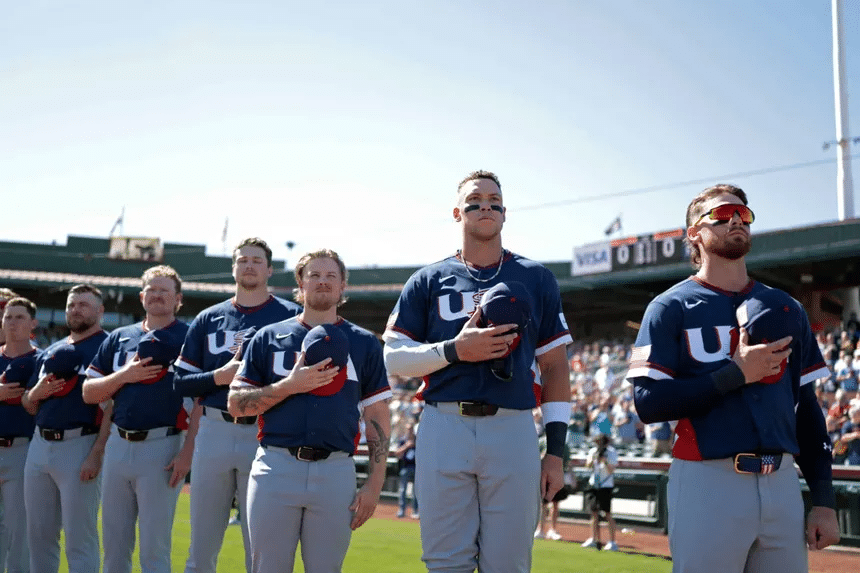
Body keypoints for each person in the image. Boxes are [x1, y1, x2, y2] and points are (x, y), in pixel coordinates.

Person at [628, 184, 839, 572]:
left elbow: (807, 409)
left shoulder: (785, 306)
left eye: (744, 215)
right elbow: (648, 403)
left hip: (782, 483)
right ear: (694, 233)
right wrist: (734, 375)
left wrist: (823, 500)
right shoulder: (668, 307)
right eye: (723, 215)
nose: (737, 220)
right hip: (709, 480)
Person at [382, 170, 572, 573]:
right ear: (457, 212)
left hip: (514, 425)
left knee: (509, 563)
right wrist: (455, 350)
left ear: (505, 213)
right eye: (475, 200)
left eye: (494, 201)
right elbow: (393, 359)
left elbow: (554, 366)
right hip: (443, 423)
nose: (485, 206)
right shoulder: (428, 279)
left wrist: (555, 452)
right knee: (444, 561)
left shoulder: (536, 277)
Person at [227, 249, 392, 573]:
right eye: (314, 275)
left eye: (331, 276)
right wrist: (290, 385)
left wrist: (374, 484)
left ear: (343, 285)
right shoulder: (269, 338)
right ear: (299, 284)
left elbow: (377, 417)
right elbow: (236, 404)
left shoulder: (364, 343)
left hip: (336, 471)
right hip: (276, 465)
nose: (323, 282)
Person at [174, 238, 301, 573]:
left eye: (257, 260)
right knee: (201, 546)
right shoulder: (208, 318)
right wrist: (220, 376)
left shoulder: (291, 316)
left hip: (265, 433)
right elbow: (179, 382)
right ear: (233, 268)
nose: (249, 265)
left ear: (270, 269)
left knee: (259, 545)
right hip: (214, 429)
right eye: (242, 259)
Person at [83, 265, 199, 573]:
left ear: (179, 300)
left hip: (164, 445)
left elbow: (202, 399)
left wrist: (187, 452)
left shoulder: (190, 337)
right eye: (152, 289)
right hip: (118, 445)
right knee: (114, 547)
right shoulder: (120, 337)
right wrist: (125, 375)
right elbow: (89, 393)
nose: (157, 295)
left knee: (154, 548)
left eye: (165, 290)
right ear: (141, 296)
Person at [22, 285, 112, 573]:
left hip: (81, 443)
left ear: (100, 311)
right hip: (39, 443)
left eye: (84, 305)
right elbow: (29, 404)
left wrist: (97, 452)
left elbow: (113, 407)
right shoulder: (50, 350)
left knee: (79, 539)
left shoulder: (109, 346)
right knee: (38, 536)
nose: (76, 310)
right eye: (72, 305)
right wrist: (34, 394)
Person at [0, 297, 39, 573]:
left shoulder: (43, 359)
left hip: (23, 449)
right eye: (8, 317)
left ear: (33, 323)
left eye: (19, 317)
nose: (12, 322)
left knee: (19, 531)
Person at [581, 433, 619, 551]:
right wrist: (593, 460)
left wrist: (605, 461)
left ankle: (612, 541)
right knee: (594, 512)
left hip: (605, 485)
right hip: (594, 484)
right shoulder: (593, 451)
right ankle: (594, 539)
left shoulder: (611, 452)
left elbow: (611, 470)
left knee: (607, 513)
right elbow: (587, 466)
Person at [394, 422, 418, 519]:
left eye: (411, 429)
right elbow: (397, 453)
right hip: (405, 468)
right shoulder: (403, 441)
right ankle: (402, 510)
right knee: (403, 490)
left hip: (416, 469)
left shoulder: (419, 440)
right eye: (408, 430)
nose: (410, 432)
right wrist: (407, 446)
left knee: (416, 492)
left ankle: (415, 511)